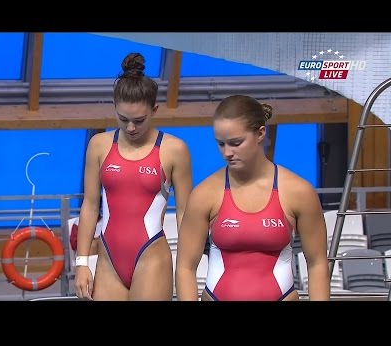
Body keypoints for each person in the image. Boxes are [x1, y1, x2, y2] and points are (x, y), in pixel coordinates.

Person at [175, 95, 330, 301]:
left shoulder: (298, 192)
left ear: (260, 134)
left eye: (236, 143)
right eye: (221, 144)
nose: (227, 153)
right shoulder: (205, 194)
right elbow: (185, 267)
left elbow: (317, 263)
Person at [75, 52, 193, 300]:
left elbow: (185, 214)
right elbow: (89, 205)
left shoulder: (174, 150)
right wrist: (82, 262)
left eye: (139, 121)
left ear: (155, 110)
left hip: (152, 259)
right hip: (108, 260)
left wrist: (187, 268)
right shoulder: (99, 145)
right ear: (114, 109)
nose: (130, 128)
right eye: (123, 119)